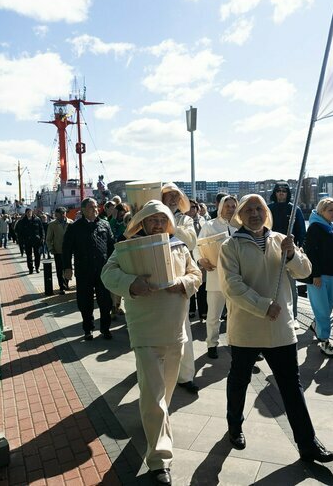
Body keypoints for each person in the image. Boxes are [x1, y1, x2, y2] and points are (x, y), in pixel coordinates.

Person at [219, 194, 333, 463]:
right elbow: (232, 286)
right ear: (239, 215)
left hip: (280, 328)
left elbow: (305, 271)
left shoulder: (280, 241)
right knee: (239, 380)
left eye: (258, 208)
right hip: (247, 328)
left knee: (291, 386)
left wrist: (292, 254)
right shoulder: (230, 245)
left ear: (266, 213)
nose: (254, 214)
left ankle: (308, 443)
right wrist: (263, 305)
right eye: (247, 210)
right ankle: (234, 425)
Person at [101, 200, 202, 485]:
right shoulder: (127, 249)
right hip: (144, 332)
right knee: (155, 394)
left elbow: (196, 275)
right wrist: (132, 283)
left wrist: (183, 283)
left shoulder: (179, 246)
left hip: (175, 330)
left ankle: (154, 421)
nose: (158, 223)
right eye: (152, 219)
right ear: (142, 223)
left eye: (162, 219)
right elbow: (107, 274)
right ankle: (159, 460)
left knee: (162, 393)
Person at [161, 183, 199, 393]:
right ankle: (162, 372)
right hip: (156, 282)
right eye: (169, 195)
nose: (173, 199)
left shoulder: (185, 219)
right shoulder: (150, 217)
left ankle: (185, 375)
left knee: (184, 329)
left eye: (177, 196)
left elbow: (191, 242)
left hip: (179, 282)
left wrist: (169, 225)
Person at [62, 198, 116, 340]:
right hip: (84, 270)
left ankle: (105, 328)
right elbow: (66, 249)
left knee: (105, 301)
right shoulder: (75, 227)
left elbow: (111, 246)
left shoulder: (105, 225)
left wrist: (115, 264)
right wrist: (67, 267)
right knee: (85, 302)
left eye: (96, 207)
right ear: (84, 210)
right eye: (91, 207)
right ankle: (88, 329)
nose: (95, 209)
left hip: (103, 270)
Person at [197, 194, 237, 359]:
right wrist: (201, 260)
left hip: (236, 279)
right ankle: (212, 344)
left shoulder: (241, 226)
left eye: (234, 206)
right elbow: (197, 247)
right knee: (213, 315)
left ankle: (239, 344)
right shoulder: (209, 226)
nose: (230, 209)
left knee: (237, 315)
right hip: (215, 277)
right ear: (220, 207)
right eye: (227, 206)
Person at [302, 198, 333, 357]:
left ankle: (317, 324)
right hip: (318, 276)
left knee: (330, 304)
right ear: (321, 211)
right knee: (323, 309)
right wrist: (315, 275)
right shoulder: (315, 228)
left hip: (331, 274)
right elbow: (311, 253)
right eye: (330, 210)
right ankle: (324, 340)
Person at [268, 182, 307, 326]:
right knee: (271, 284)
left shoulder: (294, 209)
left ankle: (294, 316)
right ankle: (274, 313)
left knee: (291, 287)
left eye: (284, 191)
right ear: (275, 193)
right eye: (278, 191)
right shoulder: (269, 209)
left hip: (290, 252)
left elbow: (302, 232)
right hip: (272, 251)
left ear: (288, 193)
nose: (281, 193)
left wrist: (300, 247)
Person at [187, 199, 207, 320]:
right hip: (187, 255)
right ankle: (191, 309)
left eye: (193, 207)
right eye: (188, 207)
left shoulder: (203, 221)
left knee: (202, 284)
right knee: (189, 283)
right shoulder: (180, 221)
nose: (191, 209)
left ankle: (203, 310)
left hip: (200, 255)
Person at [46, 207, 73, 295]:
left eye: (59, 215)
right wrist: (50, 248)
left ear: (64, 214)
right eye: (56, 215)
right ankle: (62, 287)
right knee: (59, 269)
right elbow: (48, 239)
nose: (57, 217)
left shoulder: (71, 223)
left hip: (69, 250)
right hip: (57, 250)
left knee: (68, 268)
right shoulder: (52, 224)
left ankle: (66, 283)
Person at [15, 208, 45, 274]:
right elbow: (20, 232)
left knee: (37, 254)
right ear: (26, 213)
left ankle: (37, 267)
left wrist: (42, 238)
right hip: (27, 241)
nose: (29, 213)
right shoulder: (22, 221)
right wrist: (21, 241)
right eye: (28, 212)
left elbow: (41, 229)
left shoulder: (37, 219)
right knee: (29, 256)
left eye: (30, 212)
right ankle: (30, 269)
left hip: (36, 240)